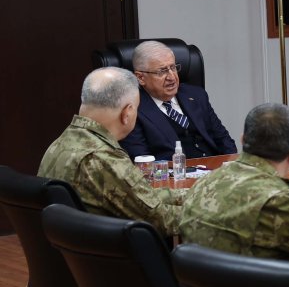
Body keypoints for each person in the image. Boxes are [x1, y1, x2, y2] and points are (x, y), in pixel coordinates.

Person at [39, 67, 184, 236]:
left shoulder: (62, 143)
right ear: (127, 113)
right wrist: (213, 211)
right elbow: (162, 220)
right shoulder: (102, 158)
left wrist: (193, 195)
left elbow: (139, 197)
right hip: (111, 257)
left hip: (78, 254)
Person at [179, 103, 289, 262]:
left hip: (202, 284)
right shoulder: (281, 202)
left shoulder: (204, 182)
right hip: (263, 286)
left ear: (243, 140)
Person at [120, 40, 237, 161]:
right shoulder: (133, 110)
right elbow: (142, 160)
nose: (172, 77)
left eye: (173, 68)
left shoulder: (196, 95)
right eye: (162, 71)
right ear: (141, 78)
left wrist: (231, 168)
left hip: (215, 171)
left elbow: (223, 139)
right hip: (173, 176)